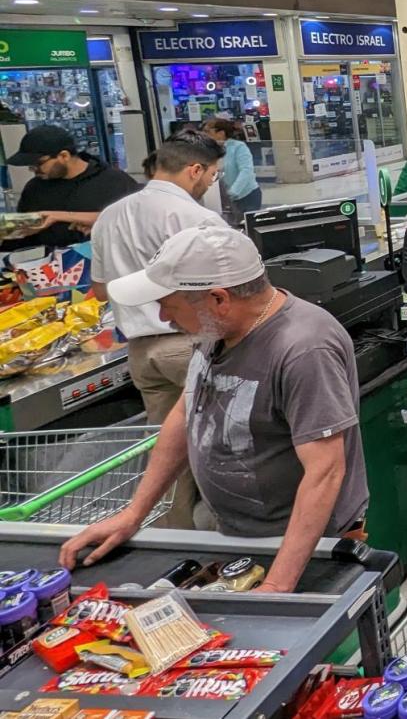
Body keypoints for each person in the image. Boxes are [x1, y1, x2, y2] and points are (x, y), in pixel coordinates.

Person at [61, 226, 368, 592]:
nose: (162, 317)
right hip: (238, 537)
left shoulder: (303, 349)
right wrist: (132, 515)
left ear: (218, 298)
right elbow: (186, 413)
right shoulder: (215, 330)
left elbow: (325, 472)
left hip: (305, 546)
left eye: (168, 304)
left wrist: (278, 587)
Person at [91, 133, 228, 527]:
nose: (209, 184)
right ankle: (234, 548)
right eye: (212, 175)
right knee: (225, 447)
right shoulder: (194, 218)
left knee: (168, 456)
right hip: (190, 346)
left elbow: (100, 290)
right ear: (195, 169)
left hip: (142, 354)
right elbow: (228, 288)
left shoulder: (110, 215)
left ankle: (179, 551)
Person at [2, 125, 140, 250]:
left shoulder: (114, 182)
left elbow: (138, 223)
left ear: (64, 156)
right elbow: (23, 237)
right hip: (48, 270)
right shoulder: (34, 188)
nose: (34, 170)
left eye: (39, 164)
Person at [202, 119, 261, 216]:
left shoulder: (238, 147)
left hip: (246, 196)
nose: (205, 135)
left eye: (208, 131)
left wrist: (232, 192)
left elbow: (246, 171)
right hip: (222, 198)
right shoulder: (209, 149)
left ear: (221, 133)